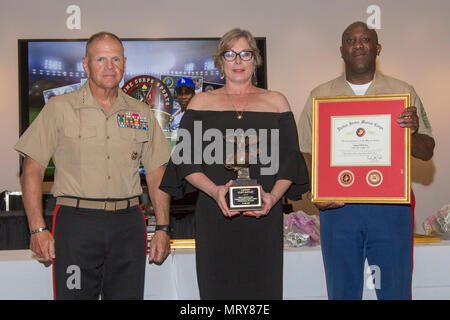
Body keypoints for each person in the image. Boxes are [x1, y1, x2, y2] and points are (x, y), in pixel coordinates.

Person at [14, 32, 171, 300]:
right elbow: (32, 168)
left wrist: (163, 228)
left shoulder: (141, 112)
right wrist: (37, 229)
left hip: (128, 224)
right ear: (86, 65)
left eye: (116, 59)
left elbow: (157, 173)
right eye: (101, 59)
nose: (109, 66)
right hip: (76, 226)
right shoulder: (60, 108)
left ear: (124, 63)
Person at [160, 28, 310, 299]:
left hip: (265, 214)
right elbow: (186, 162)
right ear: (220, 62)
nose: (238, 60)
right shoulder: (201, 102)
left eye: (245, 54)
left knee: (263, 290)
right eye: (230, 54)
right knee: (217, 290)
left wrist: (273, 197)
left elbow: (290, 160)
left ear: (256, 61)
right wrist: (216, 191)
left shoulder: (277, 102)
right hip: (215, 214)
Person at [297, 21, 435, 300]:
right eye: (350, 40)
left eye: (365, 39)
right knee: (342, 291)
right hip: (338, 208)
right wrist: (315, 193)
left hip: (390, 206)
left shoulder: (403, 91)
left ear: (378, 48)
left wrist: (413, 131)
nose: (358, 45)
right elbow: (305, 153)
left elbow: (427, 150)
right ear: (341, 50)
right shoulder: (320, 96)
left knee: (394, 290)